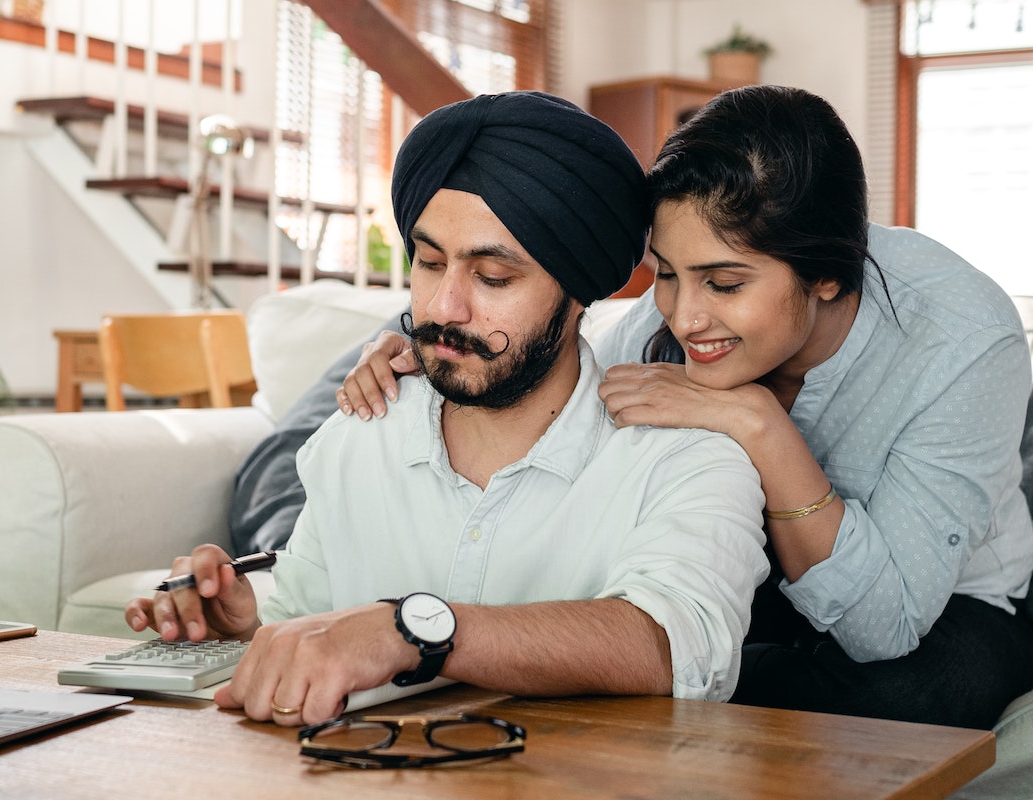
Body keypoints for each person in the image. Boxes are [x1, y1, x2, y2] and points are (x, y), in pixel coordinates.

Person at [340, 85, 1033, 730]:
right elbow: (559, 397)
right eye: (667, 274)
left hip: (938, 605)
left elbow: (885, 624)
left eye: (724, 283)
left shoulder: (966, 341)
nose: (685, 317)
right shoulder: (657, 330)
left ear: (829, 274)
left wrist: (760, 425)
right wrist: (433, 350)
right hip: (746, 575)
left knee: (932, 687)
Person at [128, 90, 769, 726]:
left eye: (492, 278)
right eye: (429, 263)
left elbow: (678, 649)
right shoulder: (363, 429)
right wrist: (243, 630)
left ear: (581, 291)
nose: (444, 309)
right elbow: (308, 624)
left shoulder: (686, 454)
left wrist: (413, 630)